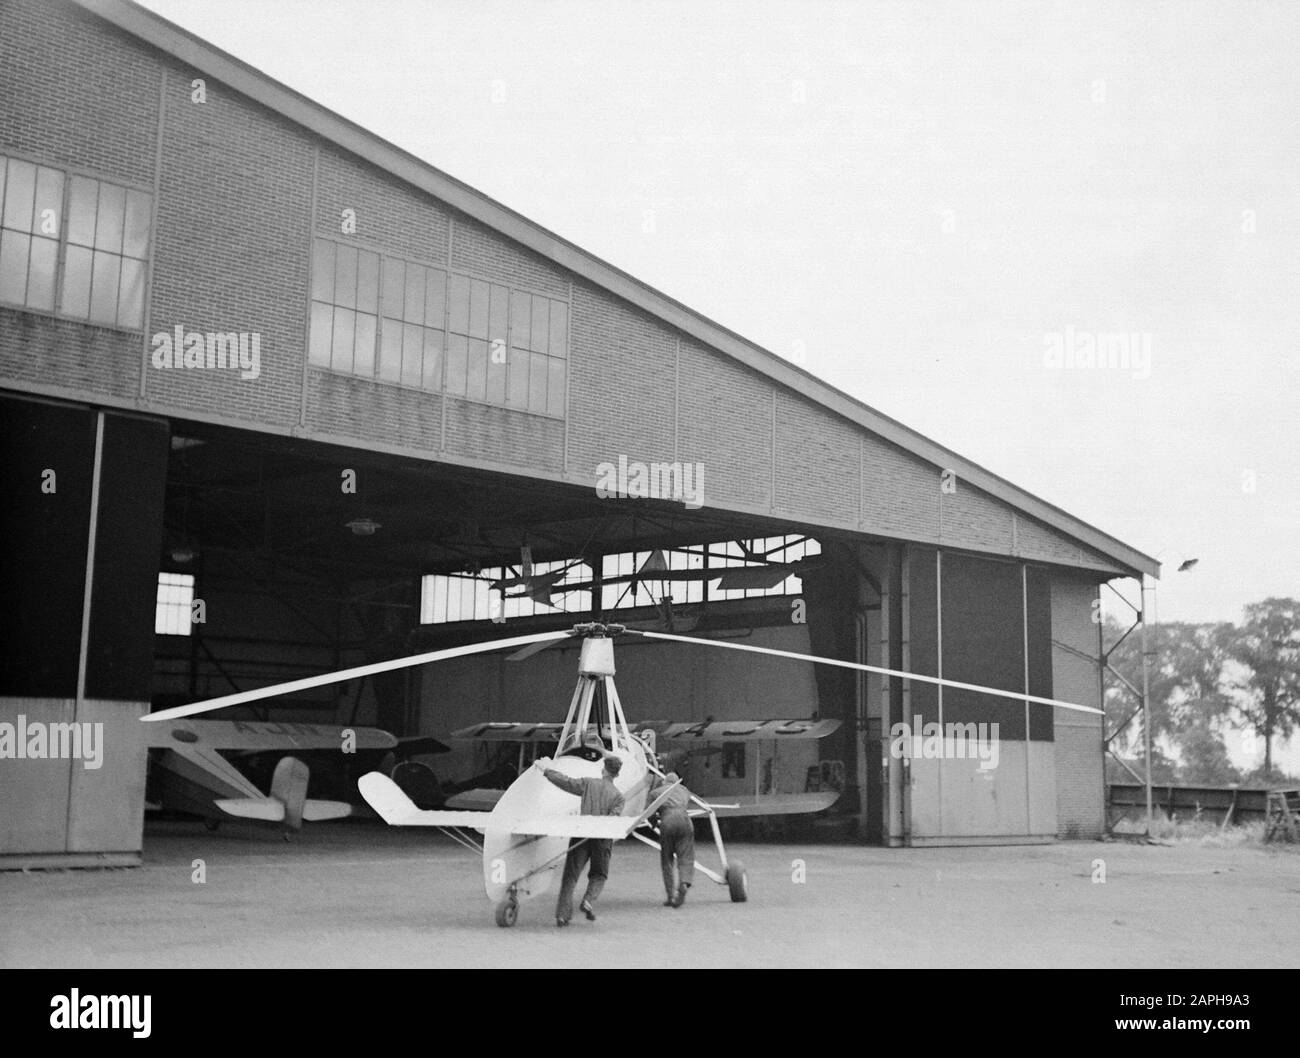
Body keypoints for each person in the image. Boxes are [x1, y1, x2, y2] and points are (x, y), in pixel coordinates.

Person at [535, 752, 625, 927]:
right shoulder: (619, 797)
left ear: (603, 770)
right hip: (602, 839)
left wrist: (546, 770)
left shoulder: (588, 783)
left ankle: (562, 916)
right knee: (599, 874)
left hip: (581, 834)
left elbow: (566, 782)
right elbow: (613, 821)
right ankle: (588, 900)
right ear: (617, 774)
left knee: (570, 876)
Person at [649, 769, 695, 907]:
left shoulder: (655, 792)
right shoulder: (684, 790)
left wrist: (653, 823)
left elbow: (649, 812)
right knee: (686, 856)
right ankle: (684, 883)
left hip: (667, 821)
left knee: (667, 859)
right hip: (686, 821)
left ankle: (671, 896)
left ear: (664, 782)